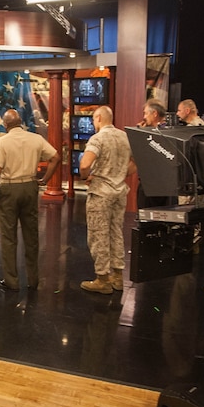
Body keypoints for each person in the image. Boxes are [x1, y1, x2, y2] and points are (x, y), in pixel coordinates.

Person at [0, 108, 61, 291]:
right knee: (31, 234)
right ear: (20, 122)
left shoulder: (2, 142)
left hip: (9, 189)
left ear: (5, 125)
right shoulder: (36, 138)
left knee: (8, 236)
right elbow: (56, 157)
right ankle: (33, 279)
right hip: (30, 187)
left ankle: (11, 281)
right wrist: (45, 179)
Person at [79, 106, 133, 294]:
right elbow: (135, 163)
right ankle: (118, 276)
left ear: (99, 118)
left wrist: (86, 176)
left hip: (101, 193)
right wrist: (119, 174)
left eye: (94, 120)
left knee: (98, 234)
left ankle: (102, 278)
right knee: (116, 231)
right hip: (120, 192)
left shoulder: (98, 138)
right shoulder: (125, 137)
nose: (94, 124)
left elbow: (85, 164)